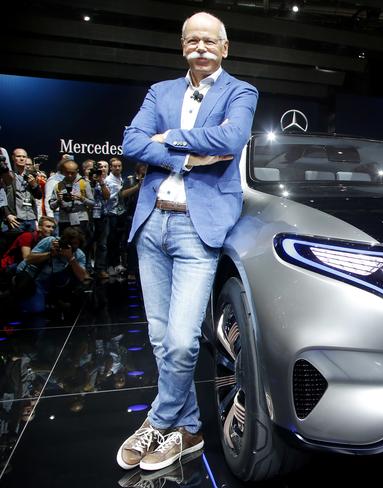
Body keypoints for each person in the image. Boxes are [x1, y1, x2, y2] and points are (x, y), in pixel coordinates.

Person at [117, 11, 258, 472]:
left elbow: (231, 138)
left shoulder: (241, 91)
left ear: (224, 47)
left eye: (208, 40)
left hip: (198, 228)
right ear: (183, 47)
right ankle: (189, 427)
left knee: (181, 341)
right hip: (152, 224)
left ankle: (157, 421)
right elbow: (132, 142)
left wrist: (171, 136)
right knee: (161, 338)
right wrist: (191, 156)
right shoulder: (160, 91)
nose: (200, 46)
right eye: (192, 40)